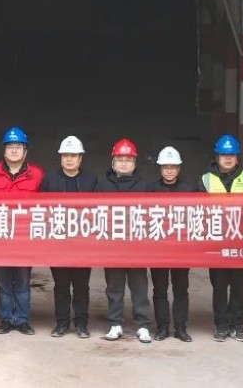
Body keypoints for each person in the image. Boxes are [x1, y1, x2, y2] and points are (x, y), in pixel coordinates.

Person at [0, 126, 44, 335]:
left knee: (22, 281)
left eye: (18, 146)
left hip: (24, 237)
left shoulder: (37, 175)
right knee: (3, 282)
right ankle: (6, 319)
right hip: (0, 236)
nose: (13, 150)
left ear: (25, 151)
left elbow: (46, 205)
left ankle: (22, 320)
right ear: (4, 151)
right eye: (10, 146)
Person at [39, 135, 97, 339]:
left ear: (81, 158)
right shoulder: (49, 180)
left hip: (82, 242)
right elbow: (39, 209)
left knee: (81, 286)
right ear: (60, 158)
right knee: (61, 286)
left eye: (73, 155)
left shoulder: (90, 180)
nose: (69, 159)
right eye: (66, 156)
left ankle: (81, 323)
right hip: (58, 242)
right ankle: (62, 323)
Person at [98, 138, 153, 344]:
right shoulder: (102, 185)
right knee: (114, 287)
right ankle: (115, 323)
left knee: (139, 288)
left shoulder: (145, 186)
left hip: (137, 246)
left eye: (128, 160)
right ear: (113, 162)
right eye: (120, 159)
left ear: (134, 162)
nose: (123, 163)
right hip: (112, 246)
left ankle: (142, 325)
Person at [202, 134, 243, 343]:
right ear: (217, 157)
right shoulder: (205, 180)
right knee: (220, 286)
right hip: (216, 243)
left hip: (241, 242)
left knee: (239, 286)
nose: (228, 158)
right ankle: (221, 325)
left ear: (237, 157)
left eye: (231, 155)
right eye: (224, 155)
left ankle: (237, 325)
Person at [148, 146, 202, 342]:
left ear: (179, 168)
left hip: (181, 249)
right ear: (160, 169)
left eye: (173, 167)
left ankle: (180, 328)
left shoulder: (190, 190)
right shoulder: (150, 189)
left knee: (181, 290)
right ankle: (162, 327)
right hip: (158, 248)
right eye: (165, 167)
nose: (169, 171)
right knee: (159, 290)